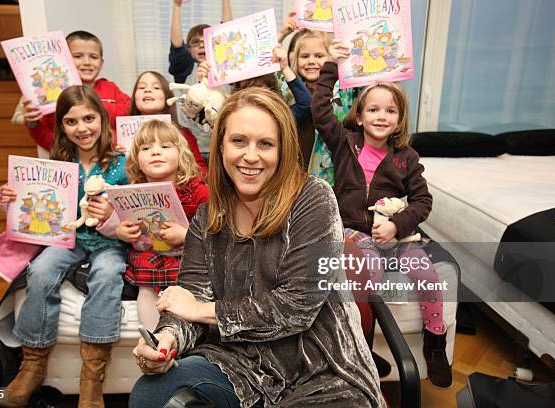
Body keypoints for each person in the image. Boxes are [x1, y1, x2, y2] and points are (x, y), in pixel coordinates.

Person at [129, 88, 384, 408]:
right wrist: (166, 341)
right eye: (238, 141)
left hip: (321, 372)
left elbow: (297, 308)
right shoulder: (206, 218)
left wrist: (198, 310)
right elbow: (189, 298)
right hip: (236, 362)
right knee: (149, 393)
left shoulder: (313, 198)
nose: (250, 156)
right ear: (220, 146)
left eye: (265, 143)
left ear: (283, 150)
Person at [311, 39, 452, 388]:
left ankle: (436, 341)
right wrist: (332, 65)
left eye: (390, 111)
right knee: (365, 273)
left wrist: (396, 225)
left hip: (398, 232)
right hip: (355, 231)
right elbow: (319, 109)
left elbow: (422, 202)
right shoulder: (345, 142)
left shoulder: (407, 157)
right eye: (373, 110)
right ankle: (362, 345)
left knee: (427, 274)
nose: (381, 116)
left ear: (399, 119)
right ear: (360, 115)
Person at [0, 85, 129, 407]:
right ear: (61, 127)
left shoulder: (124, 163)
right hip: (67, 239)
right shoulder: (57, 164)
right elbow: (37, 210)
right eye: (71, 122)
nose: (82, 128)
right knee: (40, 269)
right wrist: (9, 200)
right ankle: (32, 366)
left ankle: (92, 378)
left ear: (103, 119)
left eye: (89, 119)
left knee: (108, 274)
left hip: (109, 242)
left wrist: (112, 215)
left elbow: (133, 217)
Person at [97, 120, 209, 331]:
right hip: (151, 254)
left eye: (165, 147)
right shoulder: (132, 191)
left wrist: (187, 235)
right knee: (146, 286)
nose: (155, 152)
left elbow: (216, 230)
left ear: (181, 154)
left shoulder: (197, 190)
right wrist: (121, 232)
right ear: (137, 160)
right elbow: (120, 225)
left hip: (188, 256)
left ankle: (182, 334)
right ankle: (154, 340)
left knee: (188, 287)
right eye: (146, 148)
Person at [21, 31, 131, 156]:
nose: (87, 62)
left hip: (112, 160)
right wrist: (33, 124)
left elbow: (130, 109)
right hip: (76, 163)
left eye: (94, 57)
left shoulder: (109, 87)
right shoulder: (55, 95)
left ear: (101, 62)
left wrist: (93, 106)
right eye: (78, 56)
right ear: (64, 60)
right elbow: (50, 140)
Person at [289, 29, 359, 186]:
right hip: (295, 170)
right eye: (305, 56)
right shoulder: (289, 90)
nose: (311, 61)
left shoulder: (343, 91)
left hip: (331, 173)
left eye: (319, 56)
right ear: (295, 59)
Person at [129, 70, 207, 172]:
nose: (147, 90)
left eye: (156, 87)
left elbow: (201, 171)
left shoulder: (183, 135)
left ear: (167, 96)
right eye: (141, 87)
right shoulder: (118, 136)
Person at [169, 0, 232, 85]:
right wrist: (177, 6)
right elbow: (177, 47)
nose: (202, 45)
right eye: (195, 42)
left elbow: (227, 32)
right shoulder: (187, 70)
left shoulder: (226, 67)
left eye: (206, 41)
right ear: (189, 51)